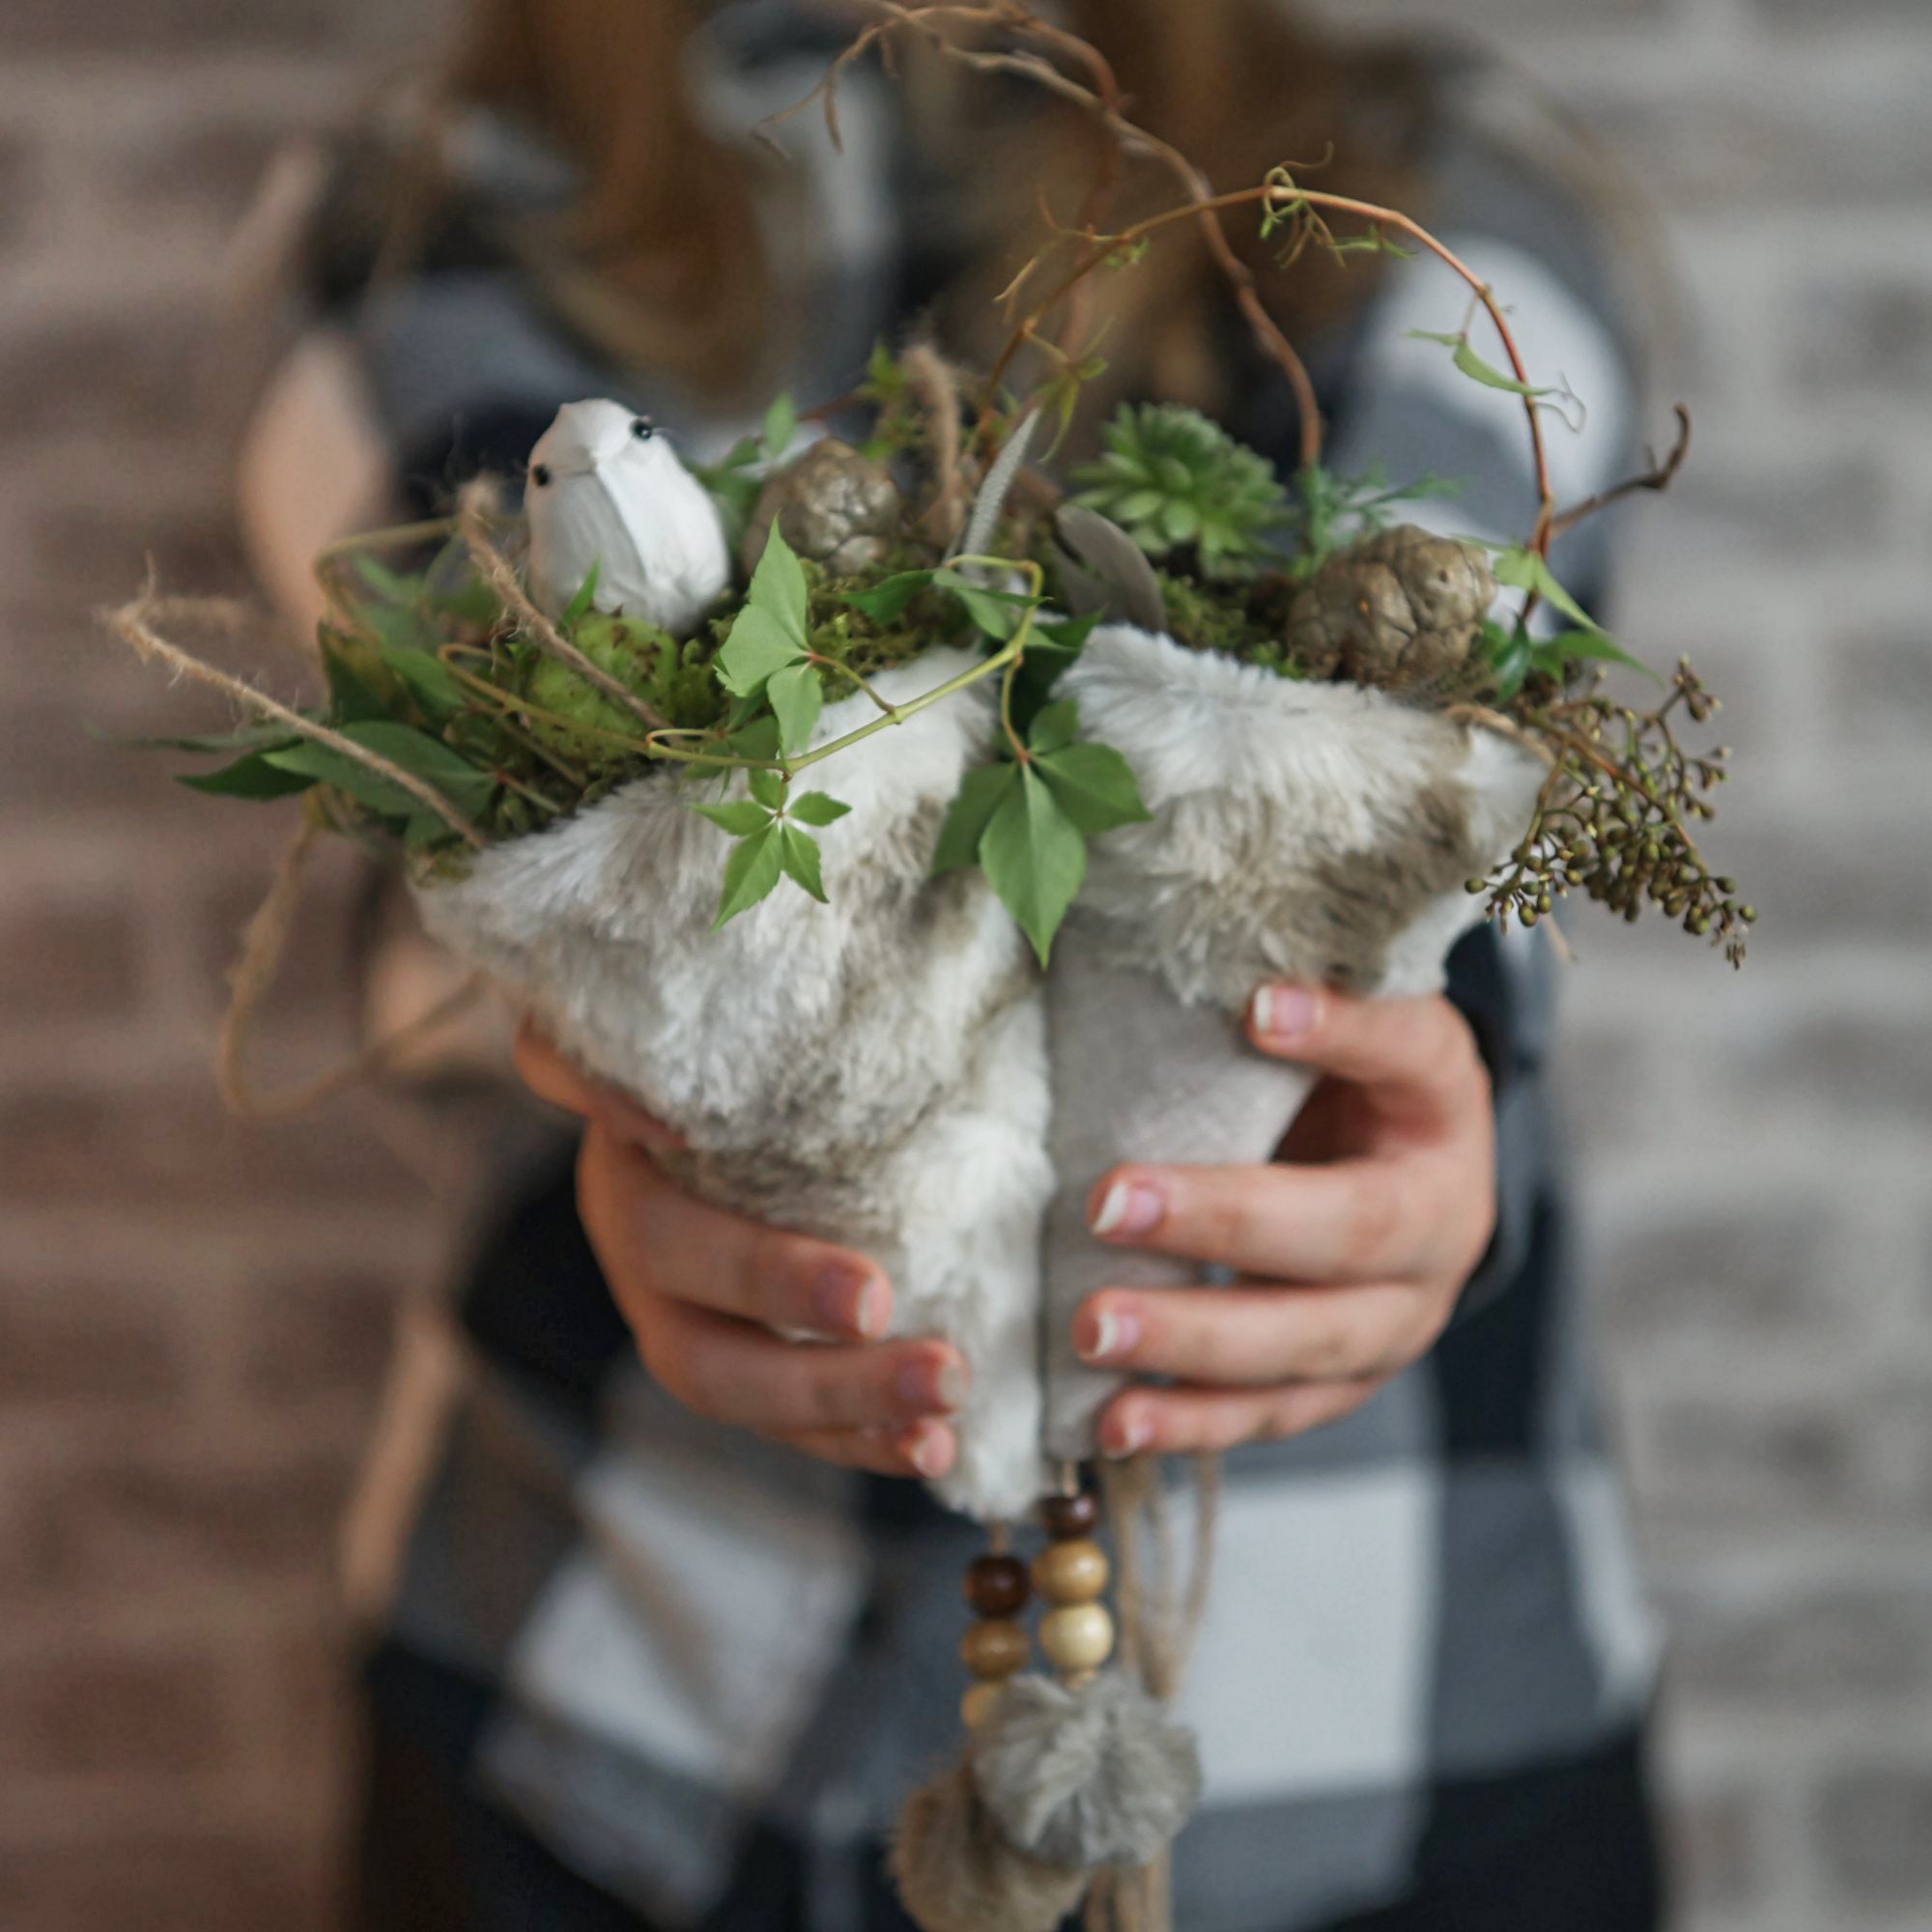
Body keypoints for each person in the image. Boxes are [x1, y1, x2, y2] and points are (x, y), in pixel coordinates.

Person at [234, 3, 1667, 1927]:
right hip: (608, 1703)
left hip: (1400, 1724)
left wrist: (1407, 1069)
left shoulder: (1430, 192)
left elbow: (1441, 687)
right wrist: (643, 1037)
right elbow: (514, 684)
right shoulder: (437, 212)